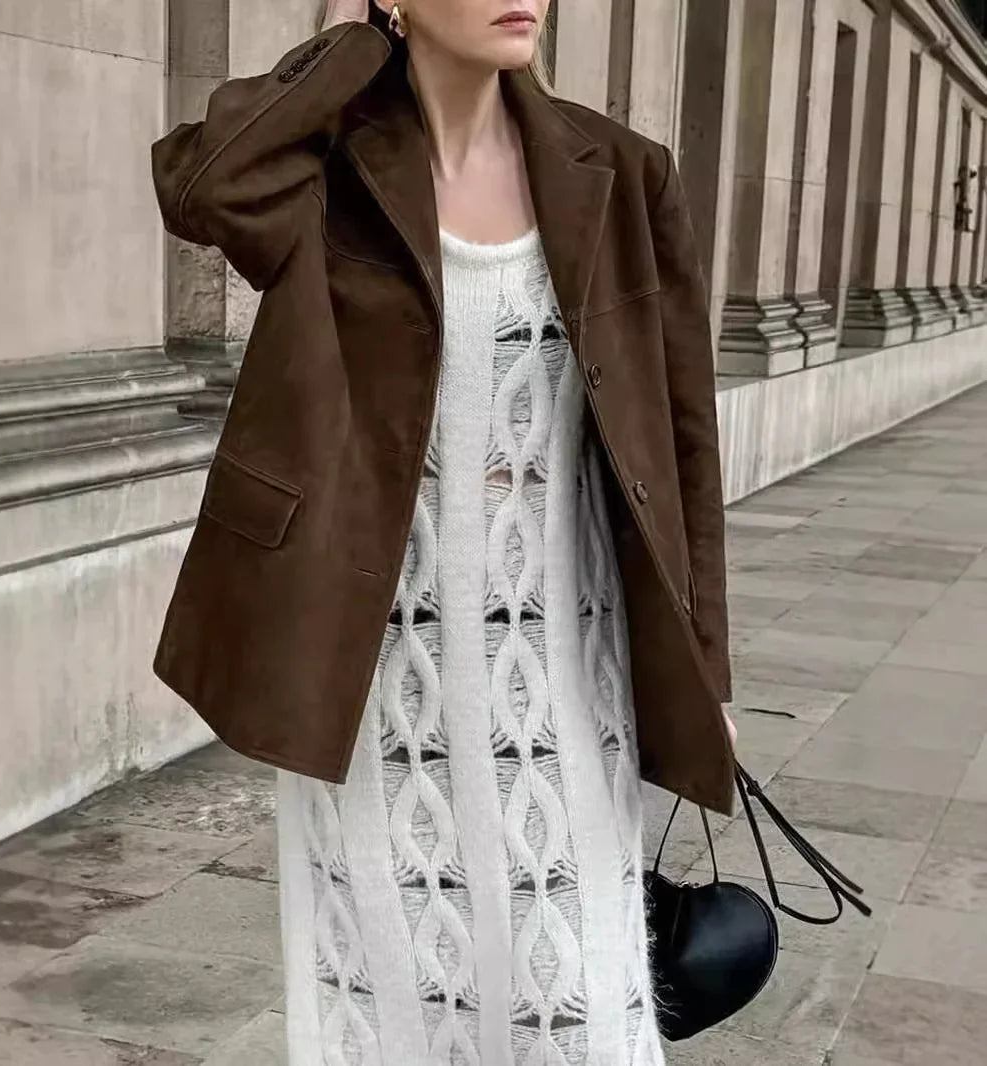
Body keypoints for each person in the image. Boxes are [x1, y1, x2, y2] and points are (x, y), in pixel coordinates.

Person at [150, 0, 737, 1061]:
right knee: (390, 1005)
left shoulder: (621, 174)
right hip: (377, 687)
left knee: (582, 1011)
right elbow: (203, 181)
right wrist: (356, 46)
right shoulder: (329, 171)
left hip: (563, 674)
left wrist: (705, 670)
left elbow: (684, 443)